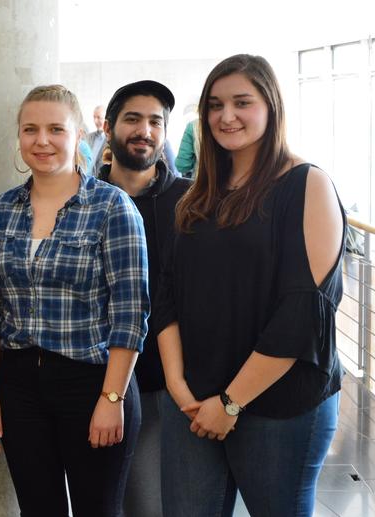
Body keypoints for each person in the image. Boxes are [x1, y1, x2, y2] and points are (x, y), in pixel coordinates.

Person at [156, 54, 344, 517]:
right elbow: (166, 293)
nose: (226, 116)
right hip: (193, 400)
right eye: (215, 105)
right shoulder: (197, 192)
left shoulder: (307, 184)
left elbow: (303, 312)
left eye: (242, 102)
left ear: (271, 107)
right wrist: (179, 387)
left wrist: (231, 402)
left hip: (277, 405)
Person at [0, 84, 149, 516]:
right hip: (19, 387)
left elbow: (130, 316)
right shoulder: (0, 212)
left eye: (55, 129)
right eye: (30, 129)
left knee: (98, 509)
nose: (42, 140)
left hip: (92, 383)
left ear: (78, 135)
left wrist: (112, 401)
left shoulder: (113, 208)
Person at [98, 80, 191, 517]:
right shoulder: (84, 201)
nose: (145, 130)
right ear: (108, 126)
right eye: (133, 119)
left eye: (156, 122)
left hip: (180, 385)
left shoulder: (193, 200)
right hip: (106, 383)